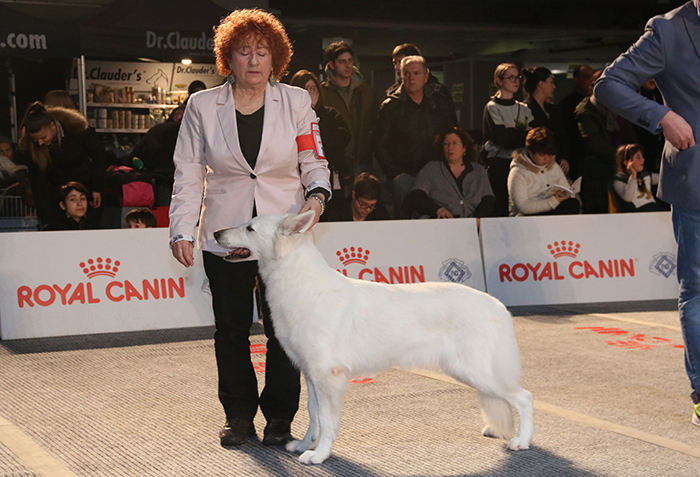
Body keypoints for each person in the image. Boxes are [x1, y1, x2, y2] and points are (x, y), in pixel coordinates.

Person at [168, 9, 332, 448]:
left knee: (284, 329)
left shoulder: (297, 102)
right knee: (231, 328)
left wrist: (317, 195)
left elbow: (313, 159)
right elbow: (187, 173)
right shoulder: (202, 106)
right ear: (228, 59)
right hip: (227, 234)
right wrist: (181, 229)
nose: (254, 60)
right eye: (244, 52)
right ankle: (238, 416)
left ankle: (280, 417)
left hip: (282, 237)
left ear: (275, 57)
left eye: (262, 51)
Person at [593, 0, 700, 425]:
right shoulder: (670, 30)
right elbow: (609, 84)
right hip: (697, 182)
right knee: (698, 291)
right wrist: (662, 116)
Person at [375, 55, 458, 216]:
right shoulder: (390, 105)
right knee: (405, 221)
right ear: (401, 76)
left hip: (438, 172)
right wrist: (394, 174)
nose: (411, 78)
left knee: (438, 217)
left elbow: (453, 133)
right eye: (407, 73)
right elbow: (380, 144)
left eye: (416, 73)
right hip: (405, 174)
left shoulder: (440, 102)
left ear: (426, 76)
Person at [16, 102, 106, 227]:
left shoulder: (77, 129)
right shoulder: (32, 147)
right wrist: (45, 218)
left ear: (52, 126)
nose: (40, 143)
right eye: (36, 140)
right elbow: (38, 183)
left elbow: (99, 156)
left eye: (43, 137)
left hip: (85, 187)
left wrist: (97, 188)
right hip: (56, 195)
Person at [320, 41, 378, 195]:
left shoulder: (365, 91)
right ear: (332, 65)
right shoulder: (323, 93)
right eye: (342, 61)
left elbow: (374, 124)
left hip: (363, 159)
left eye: (350, 60)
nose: (347, 65)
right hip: (337, 163)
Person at [575, 70, 637, 214]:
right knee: (600, 212)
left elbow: (630, 134)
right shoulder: (585, 111)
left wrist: (632, 155)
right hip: (598, 172)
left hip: (621, 168)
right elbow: (594, 142)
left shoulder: (618, 108)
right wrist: (622, 158)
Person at [399, 127, 494, 220]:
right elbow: (416, 197)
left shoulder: (478, 170)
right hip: (439, 222)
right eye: (446, 144)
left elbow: (488, 199)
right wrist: (438, 210)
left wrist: (478, 219)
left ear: (464, 148)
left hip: (470, 223)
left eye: (455, 143)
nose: (450, 148)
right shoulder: (431, 169)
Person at [482, 63, 534, 217]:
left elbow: (533, 135)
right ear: (499, 81)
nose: (515, 81)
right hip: (499, 163)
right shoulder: (492, 107)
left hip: (521, 163)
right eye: (510, 77)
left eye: (517, 77)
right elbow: (501, 138)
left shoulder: (523, 108)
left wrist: (513, 132)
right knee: (501, 205)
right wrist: (521, 133)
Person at [289, 69, 350, 194]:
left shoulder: (330, 113)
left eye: (313, 88)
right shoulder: (289, 116)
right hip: (300, 178)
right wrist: (308, 108)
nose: (312, 92)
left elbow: (343, 136)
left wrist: (315, 111)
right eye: (307, 89)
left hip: (333, 174)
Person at [507, 127, 580, 217]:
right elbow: (522, 206)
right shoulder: (518, 172)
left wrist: (564, 195)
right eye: (541, 155)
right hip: (528, 217)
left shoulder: (553, 165)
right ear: (530, 153)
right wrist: (553, 201)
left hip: (552, 210)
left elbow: (566, 188)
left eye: (549, 155)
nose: (546, 159)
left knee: (572, 204)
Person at [521, 67, 571, 177]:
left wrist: (564, 157)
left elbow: (564, 136)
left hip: (557, 162)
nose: (554, 86)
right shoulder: (524, 109)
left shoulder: (553, 109)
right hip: (536, 165)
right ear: (541, 84)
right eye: (551, 82)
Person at [385, 43, 453, 106]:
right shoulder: (392, 94)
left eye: (401, 62)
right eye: (395, 63)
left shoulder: (437, 91)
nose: (397, 67)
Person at [558, 65, 594, 180]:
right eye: (586, 77)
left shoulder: (595, 104)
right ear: (576, 80)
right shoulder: (566, 105)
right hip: (576, 157)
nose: (590, 82)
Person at [611, 143, 661, 212]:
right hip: (637, 214)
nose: (643, 160)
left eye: (642, 156)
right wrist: (633, 176)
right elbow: (628, 198)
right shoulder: (619, 179)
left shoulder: (645, 175)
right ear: (626, 162)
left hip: (653, 210)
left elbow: (663, 179)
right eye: (638, 157)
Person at [322, 172, 390, 221]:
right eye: (363, 204)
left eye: (372, 205)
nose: (368, 209)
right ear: (354, 195)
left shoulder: (380, 213)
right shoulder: (336, 213)